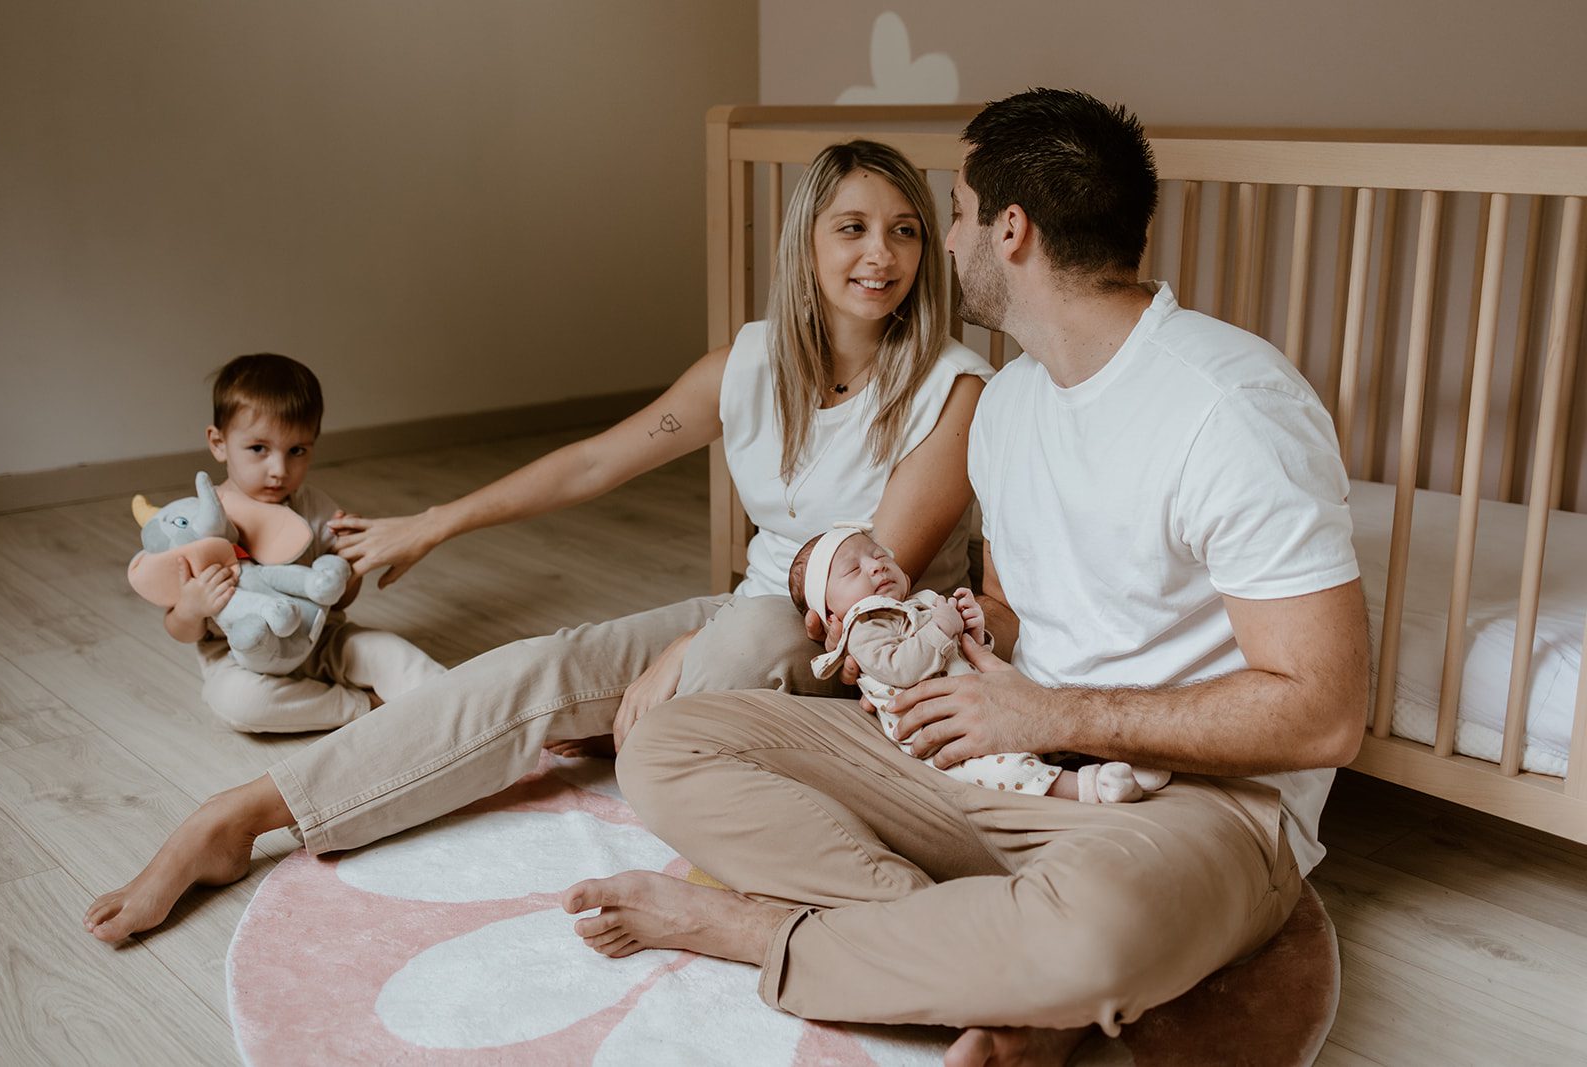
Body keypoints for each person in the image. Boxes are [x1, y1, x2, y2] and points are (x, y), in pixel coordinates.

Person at [563, 89, 1370, 1067]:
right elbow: (1016, 609)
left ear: (1010, 230)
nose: (944, 242)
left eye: (953, 213)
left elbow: (1324, 713)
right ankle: (988, 956)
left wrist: (1049, 714)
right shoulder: (1010, 402)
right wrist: (930, 640)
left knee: (1096, 932)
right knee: (672, 745)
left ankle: (756, 929)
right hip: (994, 755)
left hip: (1184, 800)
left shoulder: (1231, 408)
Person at [84, 139, 994, 943]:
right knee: (539, 669)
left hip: (857, 653)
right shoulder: (749, 363)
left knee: (743, 638)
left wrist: (686, 648)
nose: (882, 254)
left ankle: (677, 765)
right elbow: (593, 462)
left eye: (906, 230)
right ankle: (240, 817)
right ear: (806, 244)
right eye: (852, 228)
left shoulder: (954, 390)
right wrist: (438, 521)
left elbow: (864, 588)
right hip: (744, 617)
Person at [788, 522, 1167, 803]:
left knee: (1044, 722)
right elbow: (901, 668)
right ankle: (1089, 788)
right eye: (853, 570)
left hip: (983, 698)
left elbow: (966, 653)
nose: (876, 566)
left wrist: (974, 630)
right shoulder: (863, 626)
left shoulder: (916, 604)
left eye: (878, 554)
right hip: (941, 730)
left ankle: (1122, 765)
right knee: (1002, 768)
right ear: (830, 615)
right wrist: (941, 628)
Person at [165, 353, 446, 732]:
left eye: (297, 450)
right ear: (218, 443)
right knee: (239, 703)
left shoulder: (313, 508)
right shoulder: (196, 521)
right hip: (240, 658)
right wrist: (191, 607)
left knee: (393, 653)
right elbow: (178, 629)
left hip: (319, 639)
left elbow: (339, 600)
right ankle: (363, 705)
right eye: (259, 449)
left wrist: (348, 564)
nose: (279, 470)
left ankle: (467, 705)